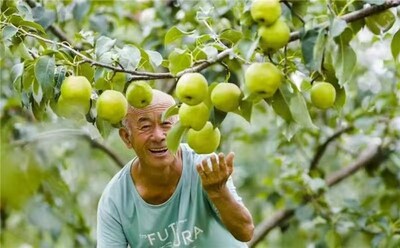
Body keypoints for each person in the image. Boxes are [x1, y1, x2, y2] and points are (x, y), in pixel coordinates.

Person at [97, 89, 254, 247]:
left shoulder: (205, 167)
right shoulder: (115, 200)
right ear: (126, 137)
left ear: (180, 128)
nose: (159, 136)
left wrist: (218, 192)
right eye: (145, 126)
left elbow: (245, 232)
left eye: (166, 124)